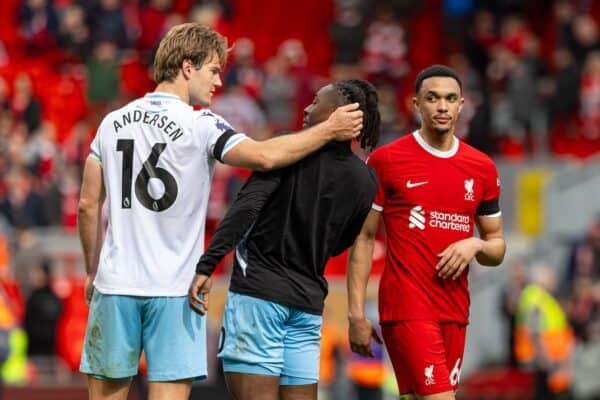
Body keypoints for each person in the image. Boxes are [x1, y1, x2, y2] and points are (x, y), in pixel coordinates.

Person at [77, 23, 363, 400]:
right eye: (213, 70)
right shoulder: (202, 125)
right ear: (186, 67)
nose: (217, 82)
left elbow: (87, 205)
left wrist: (92, 269)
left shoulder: (111, 123)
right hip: (176, 290)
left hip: (114, 284)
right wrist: (328, 130)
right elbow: (266, 156)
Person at [188, 79, 381, 400]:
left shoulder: (284, 148)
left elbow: (245, 208)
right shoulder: (365, 178)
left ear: (337, 114)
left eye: (317, 102)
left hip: (258, 297)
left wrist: (207, 264)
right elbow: (340, 244)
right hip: (307, 305)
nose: (307, 107)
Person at [347, 65, 506, 400]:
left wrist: (474, 245)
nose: (442, 107)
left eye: (450, 99)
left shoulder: (482, 168)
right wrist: (356, 313)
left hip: (454, 308)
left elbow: (497, 248)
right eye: (432, 98)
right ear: (415, 104)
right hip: (407, 305)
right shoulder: (387, 160)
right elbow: (363, 238)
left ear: (462, 105)